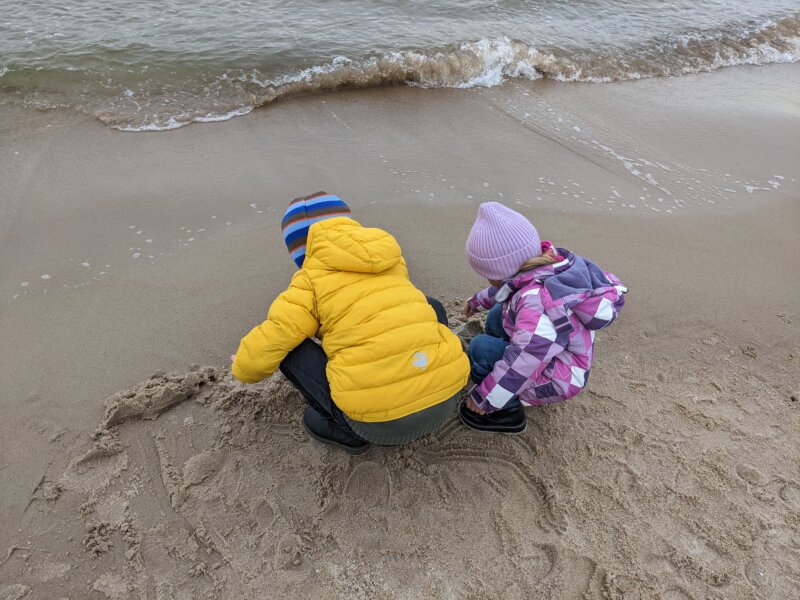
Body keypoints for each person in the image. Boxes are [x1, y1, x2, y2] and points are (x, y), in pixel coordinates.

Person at [231, 192, 469, 453]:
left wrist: (241, 366)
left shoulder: (309, 281)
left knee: (287, 347)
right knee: (428, 305)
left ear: (300, 251)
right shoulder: (389, 258)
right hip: (448, 398)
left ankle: (346, 431)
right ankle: (437, 370)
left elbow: (263, 350)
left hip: (379, 425)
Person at [459, 202, 627, 434]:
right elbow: (510, 287)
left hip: (558, 377)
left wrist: (484, 398)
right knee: (499, 313)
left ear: (499, 272)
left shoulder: (537, 302)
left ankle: (507, 413)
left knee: (480, 349)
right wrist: (478, 301)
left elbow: (525, 362)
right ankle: (501, 369)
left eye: (489, 276)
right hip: (553, 347)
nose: (489, 281)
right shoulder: (547, 264)